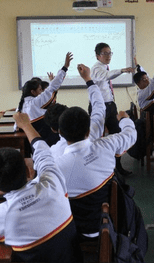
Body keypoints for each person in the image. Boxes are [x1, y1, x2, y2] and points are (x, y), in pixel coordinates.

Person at [0, 112, 79, 263]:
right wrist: (26, 125)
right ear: (29, 171)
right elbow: (43, 153)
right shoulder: (53, 181)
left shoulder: (4, 214)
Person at [54, 102, 136, 240]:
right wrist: (124, 119)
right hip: (109, 222)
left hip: (78, 231)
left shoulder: (58, 167)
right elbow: (130, 134)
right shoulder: (107, 145)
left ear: (60, 133)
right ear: (88, 131)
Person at [90, 42, 135, 176]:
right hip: (98, 107)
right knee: (97, 138)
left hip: (110, 105)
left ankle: (117, 167)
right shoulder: (96, 69)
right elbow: (106, 76)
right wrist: (122, 70)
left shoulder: (105, 66)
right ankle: (99, 170)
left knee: (116, 134)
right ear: (98, 55)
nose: (108, 56)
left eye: (110, 53)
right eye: (105, 53)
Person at [45, 64, 106, 158]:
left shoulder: (54, 153)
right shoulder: (93, 131)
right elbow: (99, 106)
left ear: (55, 130)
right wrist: (88, 79)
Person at [17, 52, 72, 146]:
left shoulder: (22, 104)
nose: (42, 91)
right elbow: (52, 88)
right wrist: (65, 67)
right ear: (33, 92)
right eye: (40, 89)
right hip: (46, 139)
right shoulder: (36, 102)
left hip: (31, 140)